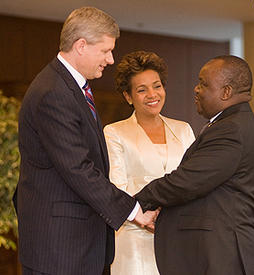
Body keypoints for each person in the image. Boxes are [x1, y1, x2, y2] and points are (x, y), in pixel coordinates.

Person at [13, 7, 157, 275]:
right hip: (59, 248)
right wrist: (134, 210)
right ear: (81, 46)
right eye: (105, 51)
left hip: (72, 245)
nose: (111, 59)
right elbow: (78, 169)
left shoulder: (69, 88)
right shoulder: (53, 93)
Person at [135, 55, 254, 275]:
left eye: (203, 84)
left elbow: (187, 182)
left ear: (226, 92)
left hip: (222, 257)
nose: (196, 89)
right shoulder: (229, 123)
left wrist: (137, 202)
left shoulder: (231, 129)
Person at [103, 50, 195, 275]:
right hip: (134, 238)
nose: (152, 94)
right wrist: (146, 216)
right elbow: (117, 188)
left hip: (179, 236)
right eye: (141, 90)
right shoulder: (114, 133)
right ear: (128, 96)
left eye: (157, 86)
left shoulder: (183, 130)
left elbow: (195, 180)